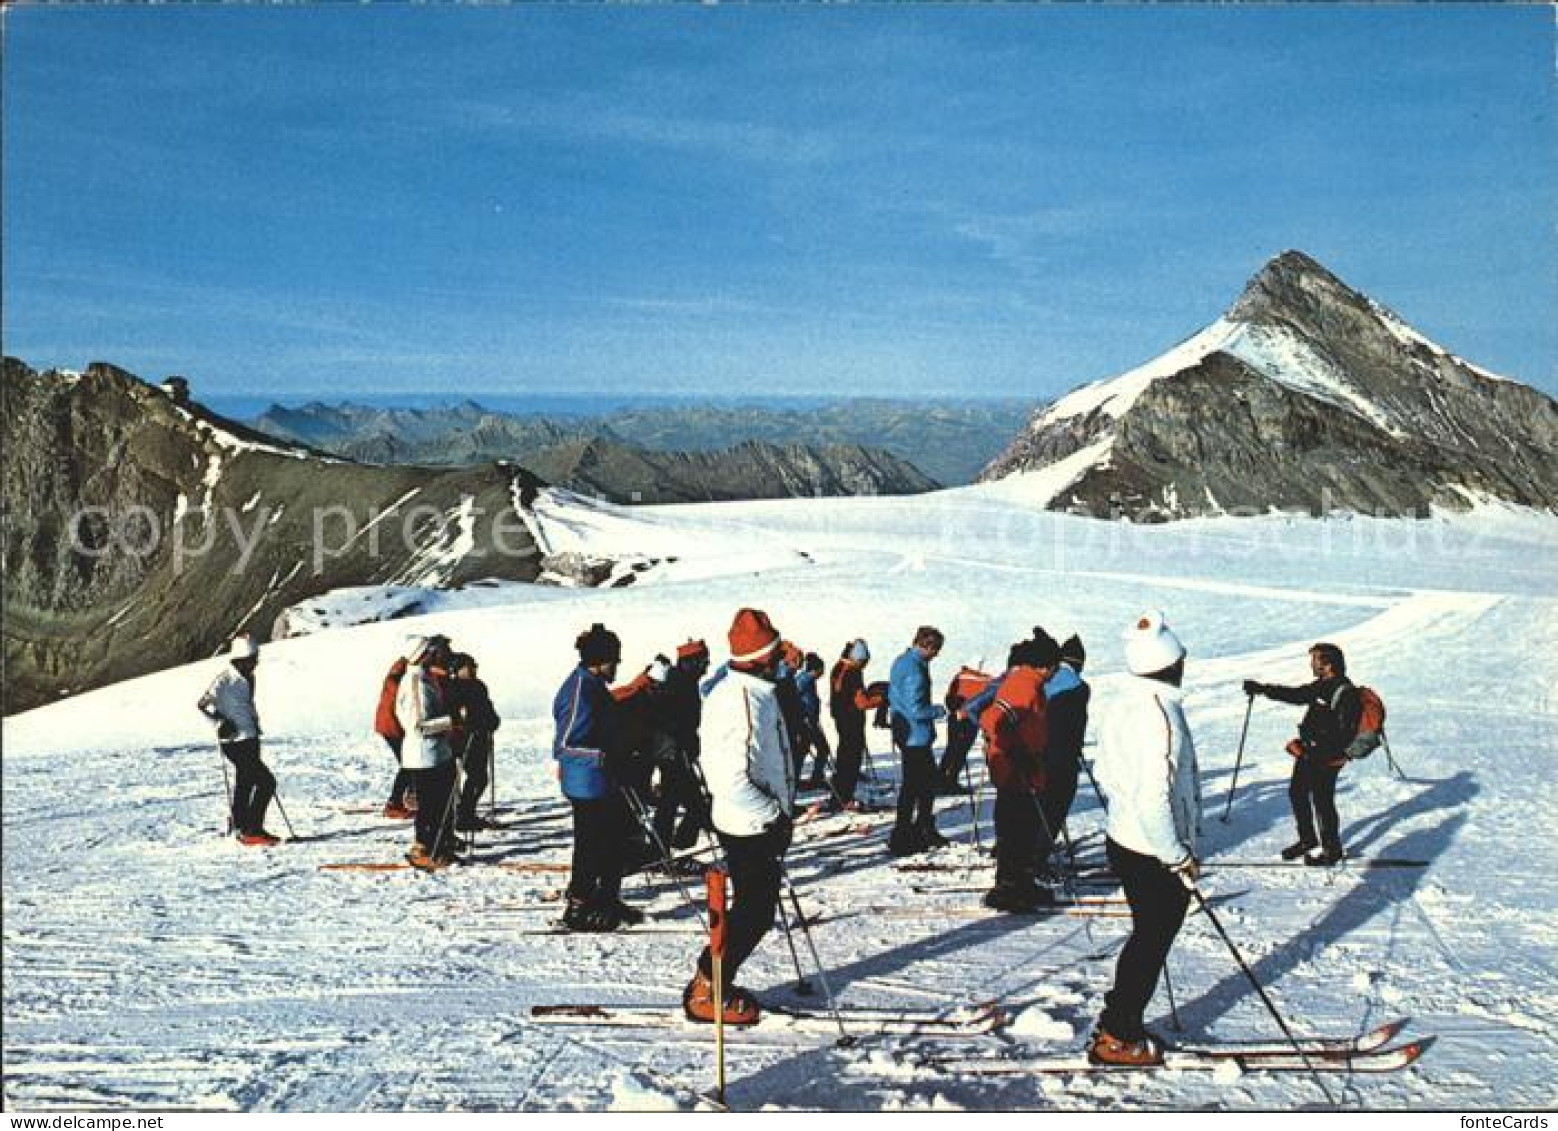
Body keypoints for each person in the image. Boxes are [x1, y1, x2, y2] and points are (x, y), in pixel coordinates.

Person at [1089, 611, 1201, 1067]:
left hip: (1125, 837)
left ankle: (1119, 1019)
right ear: (1171, 663)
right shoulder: (1160, 716)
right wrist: (1176, 856)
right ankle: (1117, 1034)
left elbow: (1103, 769)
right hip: (1152, 846)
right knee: (1151, 940)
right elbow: (1154, 798)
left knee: (1146, 937)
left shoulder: (1125, 698)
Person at [682, 608, 795, 1026]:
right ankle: (708, 988)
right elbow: (730, 780)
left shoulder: (752, 691)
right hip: (749, 824)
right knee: (755, 913)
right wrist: (773, 817)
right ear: (763, 656)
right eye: (777, 651)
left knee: (754, 909)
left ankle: (713, 981)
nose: (783, 657)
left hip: (751, 820)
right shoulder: (743, 701)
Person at [553, 624, 642, 931]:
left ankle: (607, 899)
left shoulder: (592, 684)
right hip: (585, 783)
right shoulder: (580, 689)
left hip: (603, 780)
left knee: (613, 842)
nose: (617, 665)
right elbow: (564, 746)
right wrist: (606, 756)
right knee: (591, 845)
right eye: (614, 660)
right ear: (599, 660)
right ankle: (578, 905)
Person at [1244, 643, 1362, 866]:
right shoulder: (1322, 685)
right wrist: (1262, 689)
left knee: (1322, 801)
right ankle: (1308, 840)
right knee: (1297, 793)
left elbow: (1344, 732)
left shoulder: (1344, 691)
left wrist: (1320, 753)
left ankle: (1332, 849)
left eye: (1315, 660)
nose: (1311, 664)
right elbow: (1296, 694)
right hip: (1309, 751)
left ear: (1328, 664)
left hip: (1326, 756)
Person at [978, 634, 1061, 911]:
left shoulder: (1031, 684)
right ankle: (1008, 888)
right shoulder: (1022, 686)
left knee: (1025, 830)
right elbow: (992, 720)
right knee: (1016, 830)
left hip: (1025, 769)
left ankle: (1022, 882)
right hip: (1015, 773)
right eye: (1055, 667)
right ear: (1045, 666)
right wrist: (1015, 752)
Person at [198, 634, 278, 846]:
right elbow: (204, 704)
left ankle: (240, 822)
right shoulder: (225, 680)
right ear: (239, 659)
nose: (255, 663)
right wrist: (221, 723)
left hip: (250, 737)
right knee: (266, 782)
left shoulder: (248, 677)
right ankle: (252, 830)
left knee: (245, 782)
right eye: (252, 658)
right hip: (234, 742)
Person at [398, 635, 459, 869]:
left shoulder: (422, 677)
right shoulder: (416, 682)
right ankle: (423, 848)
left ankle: (439, 846)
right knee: (430, 805)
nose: (435, 654)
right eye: (431, 650)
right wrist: (452, 720)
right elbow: (418, 725)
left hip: (434, 752)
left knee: (440, 802)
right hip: (425, 754)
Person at [887, 625, 949, 856]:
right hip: (916, 735)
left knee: (914, 786)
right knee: (922, 786)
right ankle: (915, 832)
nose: (937, 655)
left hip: (906, 732)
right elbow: (916, 709)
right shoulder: (915, 670)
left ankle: (909, 832)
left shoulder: (902, 661)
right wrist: (938, 711)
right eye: (936, 650)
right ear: (927, 646)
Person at [651, 640, 713, 855]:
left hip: (675, 751)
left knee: (674, 801)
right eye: (704, 661)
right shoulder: (678, 682)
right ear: (692, 662)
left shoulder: (684, 680)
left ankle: (669, 845)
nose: (707, 666)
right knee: (683, 801)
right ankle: (668, 846)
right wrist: (681, 743)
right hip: (673, 752)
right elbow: (664, 718)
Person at [1039, 634, 1091, 873]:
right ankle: (1040, 853)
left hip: (1037, 751)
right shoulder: (1079, 687)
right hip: (1063, 755)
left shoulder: (1045, 678)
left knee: (1039, 802)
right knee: (1058, 801)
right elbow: (1076, 724)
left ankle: (1028, 848)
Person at [825, 639, 885, 812]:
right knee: (851, 759)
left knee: (844, 757)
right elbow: (861, 702)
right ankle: (845, 798)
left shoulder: (838, 667)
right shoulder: (853, 672)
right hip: (851, 719)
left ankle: (838, 796)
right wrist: (880, 699)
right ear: (859, 659)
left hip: (841, 717)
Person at [447, 653, 501, 833]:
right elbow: (455, 714)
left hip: (479, 737)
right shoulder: (453, 688)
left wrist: (492, 721)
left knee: (479, 778)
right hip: (463, 739)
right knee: (475, 776)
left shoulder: (479, 686)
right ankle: (463, 814)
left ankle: (466, 812)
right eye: (467, 667)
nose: (471, 670)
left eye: (473, 666)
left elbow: (488, 707)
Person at [938, 658, 994, 793]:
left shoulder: (959, 676)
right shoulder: (987, 680)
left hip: (955, 716)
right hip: (970, 718)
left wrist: (953, 708)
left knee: (951, 748)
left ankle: (940, 780)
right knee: (961, 751)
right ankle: (950, 781)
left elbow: (949, 696)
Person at [373, 653, 417, 819]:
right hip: (392, 727)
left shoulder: (401, 671)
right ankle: (394, 803)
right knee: (408, 763)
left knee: (410, 763)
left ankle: (405, 797)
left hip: (392, 725)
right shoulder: (400, 675)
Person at [791, 652, 832, 789]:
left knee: (805, 751)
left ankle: (802, 779)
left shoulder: (808, 679)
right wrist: (803, 716)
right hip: (806, 722)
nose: (822, 673)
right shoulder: (804, 679)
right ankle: (811, 779)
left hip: (810, 721)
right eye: (821, 670)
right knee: (820, 749)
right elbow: (794, 698)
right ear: (815, 669)